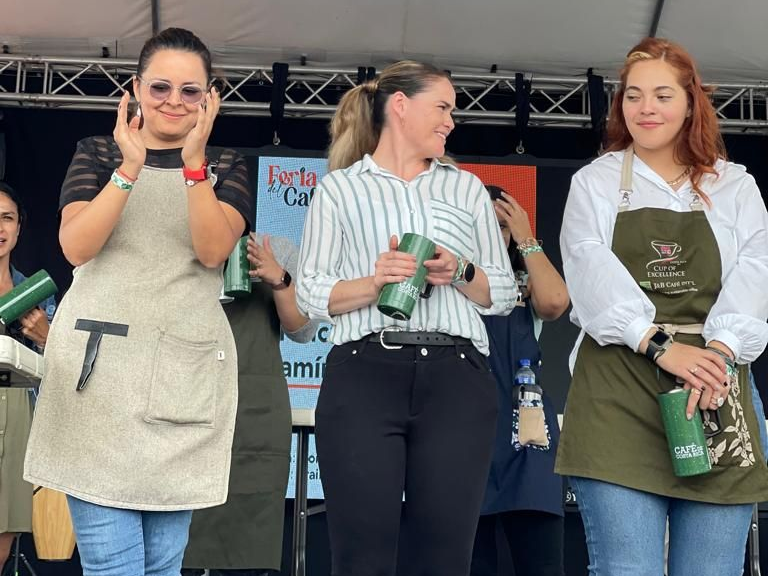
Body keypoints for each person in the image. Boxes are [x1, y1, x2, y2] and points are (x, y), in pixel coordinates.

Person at [24, 28, 253, 576]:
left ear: (210, 98)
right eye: (161, 87)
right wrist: (130, 167)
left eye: (190, 91)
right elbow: (77, 247)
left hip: (182, 379)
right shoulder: (99, 151)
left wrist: (194, 166)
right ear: (135, 89)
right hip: (97, 381)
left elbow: (213, 249)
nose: (174, 101)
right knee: (115, 568)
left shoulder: (227, 163)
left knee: (162, 568)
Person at [556, 37, 768, 576]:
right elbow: (589, 271)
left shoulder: (736, 185)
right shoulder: (596, 183)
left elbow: (755, 272)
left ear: (691, 102)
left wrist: (717, 352)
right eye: (633, 96)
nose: (646, 108)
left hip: (715, 384)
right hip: (619, 386)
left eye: (662, 95)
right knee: (629, 569)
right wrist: (659, 344)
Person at [296, 60, 517, 576]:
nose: (450, 122)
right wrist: (375, 283)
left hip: (457, 376)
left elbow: (504, 292)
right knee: (361, 556)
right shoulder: (340, 190)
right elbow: (310, 293)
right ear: (401, 106)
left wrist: (458, 268)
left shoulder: (466, 188)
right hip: (365, 370)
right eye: (442, 107)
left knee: (444, 559)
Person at [183, 232, 317, 576]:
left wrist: (279, 279)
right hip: (184, 405)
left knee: (249, 549)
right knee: (177, 543)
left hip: (254, 414)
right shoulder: (175, 241)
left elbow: (302, 330)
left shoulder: (273, 248)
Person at [470, 185, 569, 576]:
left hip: (527, 444)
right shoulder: (445, 287)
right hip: (464, 439)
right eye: (483, 227)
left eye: (501, 228)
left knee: (542, 567)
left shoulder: (526, 287)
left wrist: (526, 236)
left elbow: (557, 302)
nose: (493, 237)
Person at [0, 182, 55, 570]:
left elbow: (65, 365)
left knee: (5, 532)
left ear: (19, 229)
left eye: (7, 218)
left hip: (19, 413)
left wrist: (43, 334)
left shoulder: (34, 290)